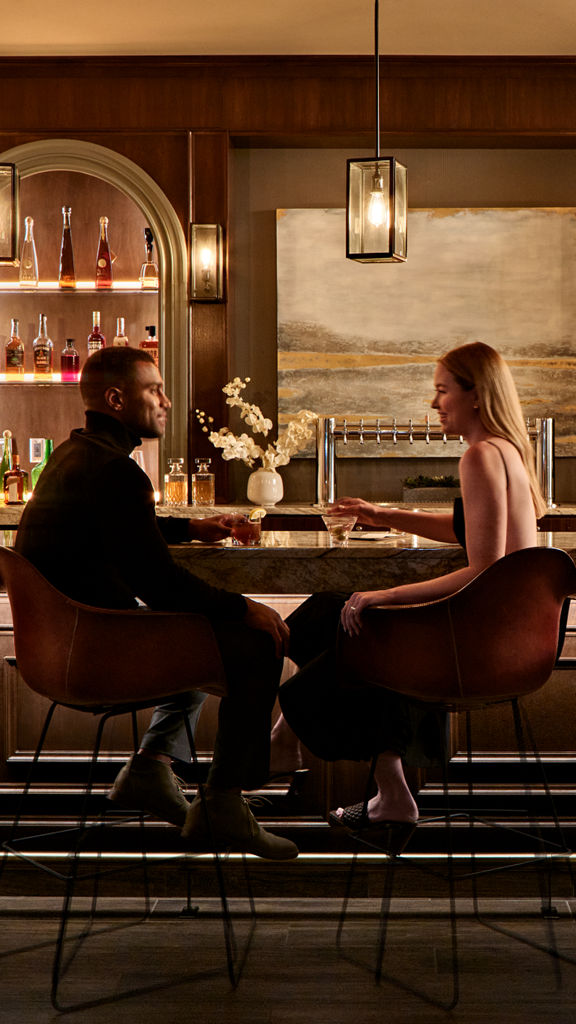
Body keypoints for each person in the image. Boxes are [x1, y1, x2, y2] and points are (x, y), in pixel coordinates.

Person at [15, 346, 298, 861]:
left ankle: (150, 767)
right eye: (155, 391)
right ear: (117, 398)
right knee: (253, 642)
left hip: (64, 648)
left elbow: (121, 531)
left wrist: (189, 527)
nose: (166, 401)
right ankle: (224, 803)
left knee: (196, 635)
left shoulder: (75, 455)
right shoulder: (117, 471)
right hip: (100, 654)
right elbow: (160, 583)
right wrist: (246, 607)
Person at [279, 341, 546, 851]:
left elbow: (482, 567)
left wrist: (384, 595)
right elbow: (473, 530)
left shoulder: (479, 457)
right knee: (331, 615)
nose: (434, 403)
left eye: (442, 390)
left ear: (476, 394)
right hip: (510, 640)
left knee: (347, 619)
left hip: (475, 649)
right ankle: (382, 784)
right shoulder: (507, 452)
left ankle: (285, 740)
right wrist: (383, 515)